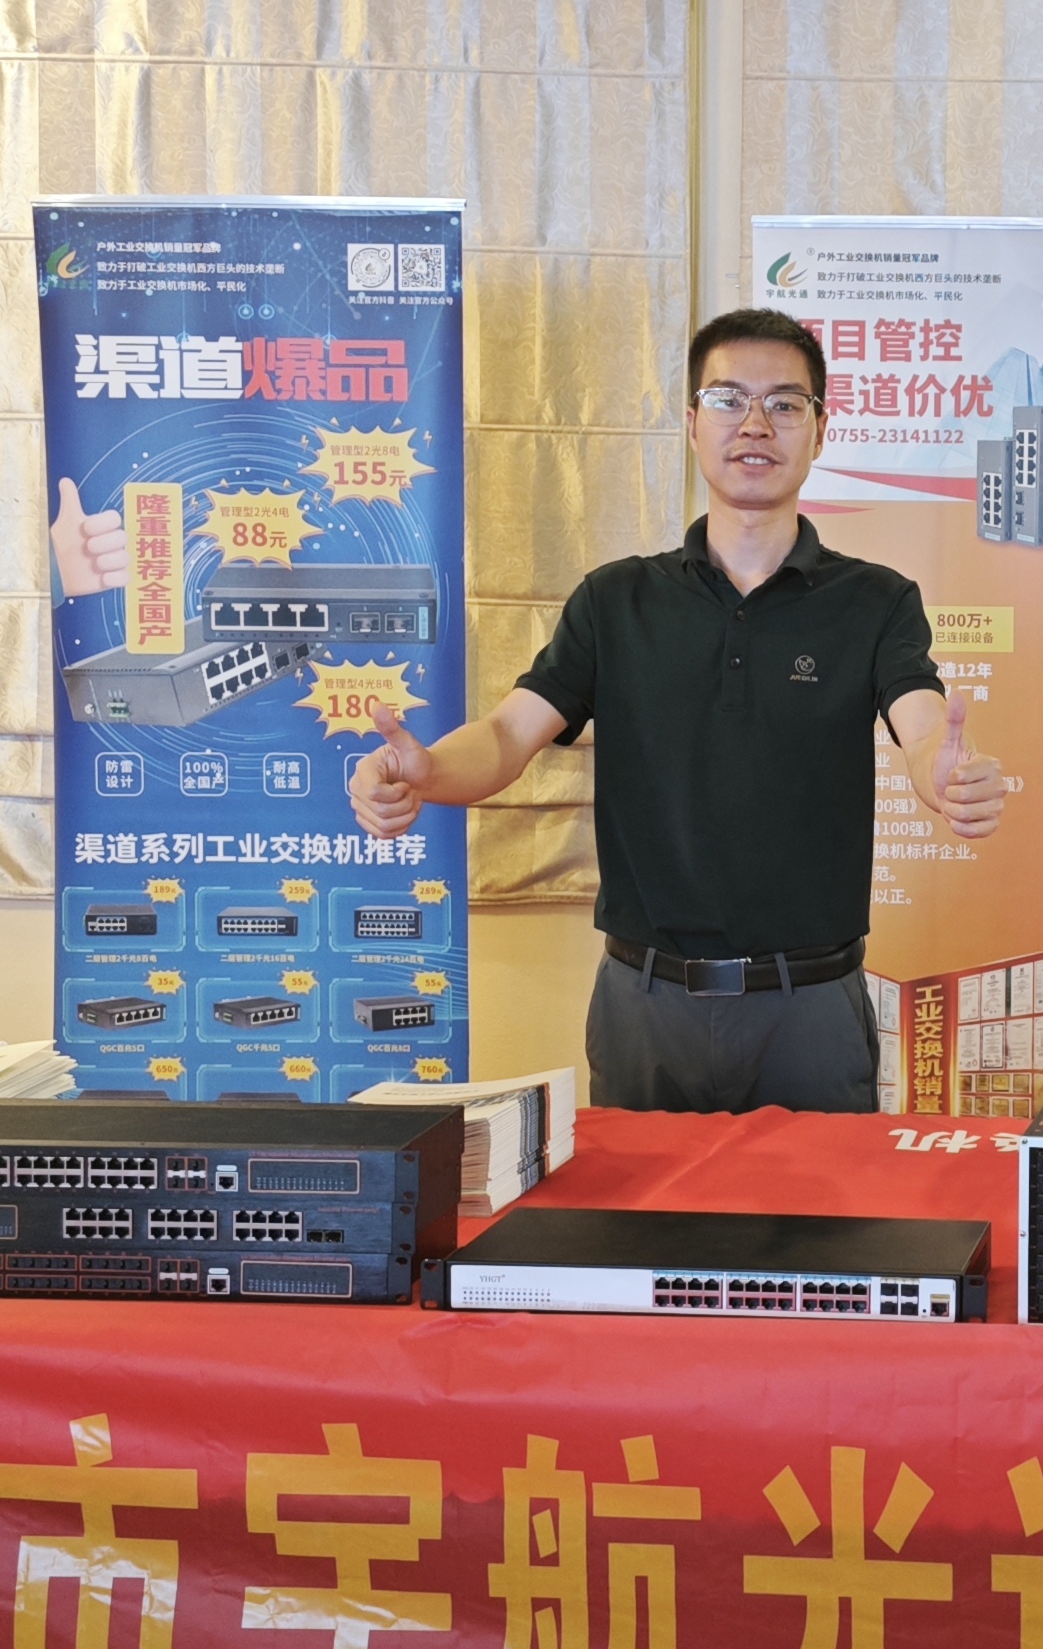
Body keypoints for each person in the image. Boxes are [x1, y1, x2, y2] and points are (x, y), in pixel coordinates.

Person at [352, 307, 1004, 1112]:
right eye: (729, 400)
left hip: (809, 1010)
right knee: (635, 1201)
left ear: (820, 430)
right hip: (645, 1004)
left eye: (785, 403)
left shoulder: (876, 601)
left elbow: (921, 722)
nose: (756, 423)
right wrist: (426, 772)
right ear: (692, 423)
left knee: (824, 1201)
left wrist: (945, 776)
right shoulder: (616, 600)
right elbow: (508, 734)